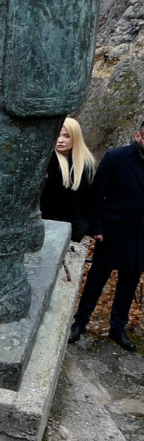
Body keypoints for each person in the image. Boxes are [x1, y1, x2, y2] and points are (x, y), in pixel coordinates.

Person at [67, 121, 144, 352]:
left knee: (128, 285)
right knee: (96, 281)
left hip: (141, 236)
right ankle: (80, 322)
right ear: (138, 136)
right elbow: (97, 195)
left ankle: (117, 328)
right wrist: (97, 228)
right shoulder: (115, 157)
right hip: (113, 231)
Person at [39, 118, 96, 242]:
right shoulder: (45, 162)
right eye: (57, 135)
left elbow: (88, 200)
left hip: (75, 231)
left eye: (66, 136)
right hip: (47, 228)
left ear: (75, 137)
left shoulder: (86, 164)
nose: (60, 140)